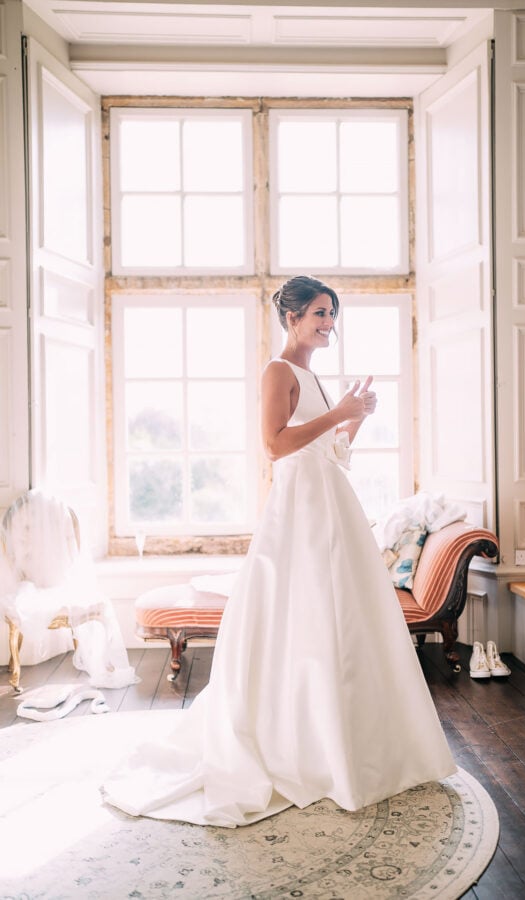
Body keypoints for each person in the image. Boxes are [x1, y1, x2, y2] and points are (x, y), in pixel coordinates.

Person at [101, 275, 456, 827]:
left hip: (330, 505)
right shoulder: (278, 370)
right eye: (319, 313)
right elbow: (274, 446)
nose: (328, 323)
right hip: (298, 514)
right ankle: (290, 745)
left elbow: (331, 453)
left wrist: (355, 418)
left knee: (340, 622)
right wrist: (339, 412)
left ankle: (339, 743)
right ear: (291, 317)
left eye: (332, 315)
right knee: (300, 615)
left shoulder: (313, 377)